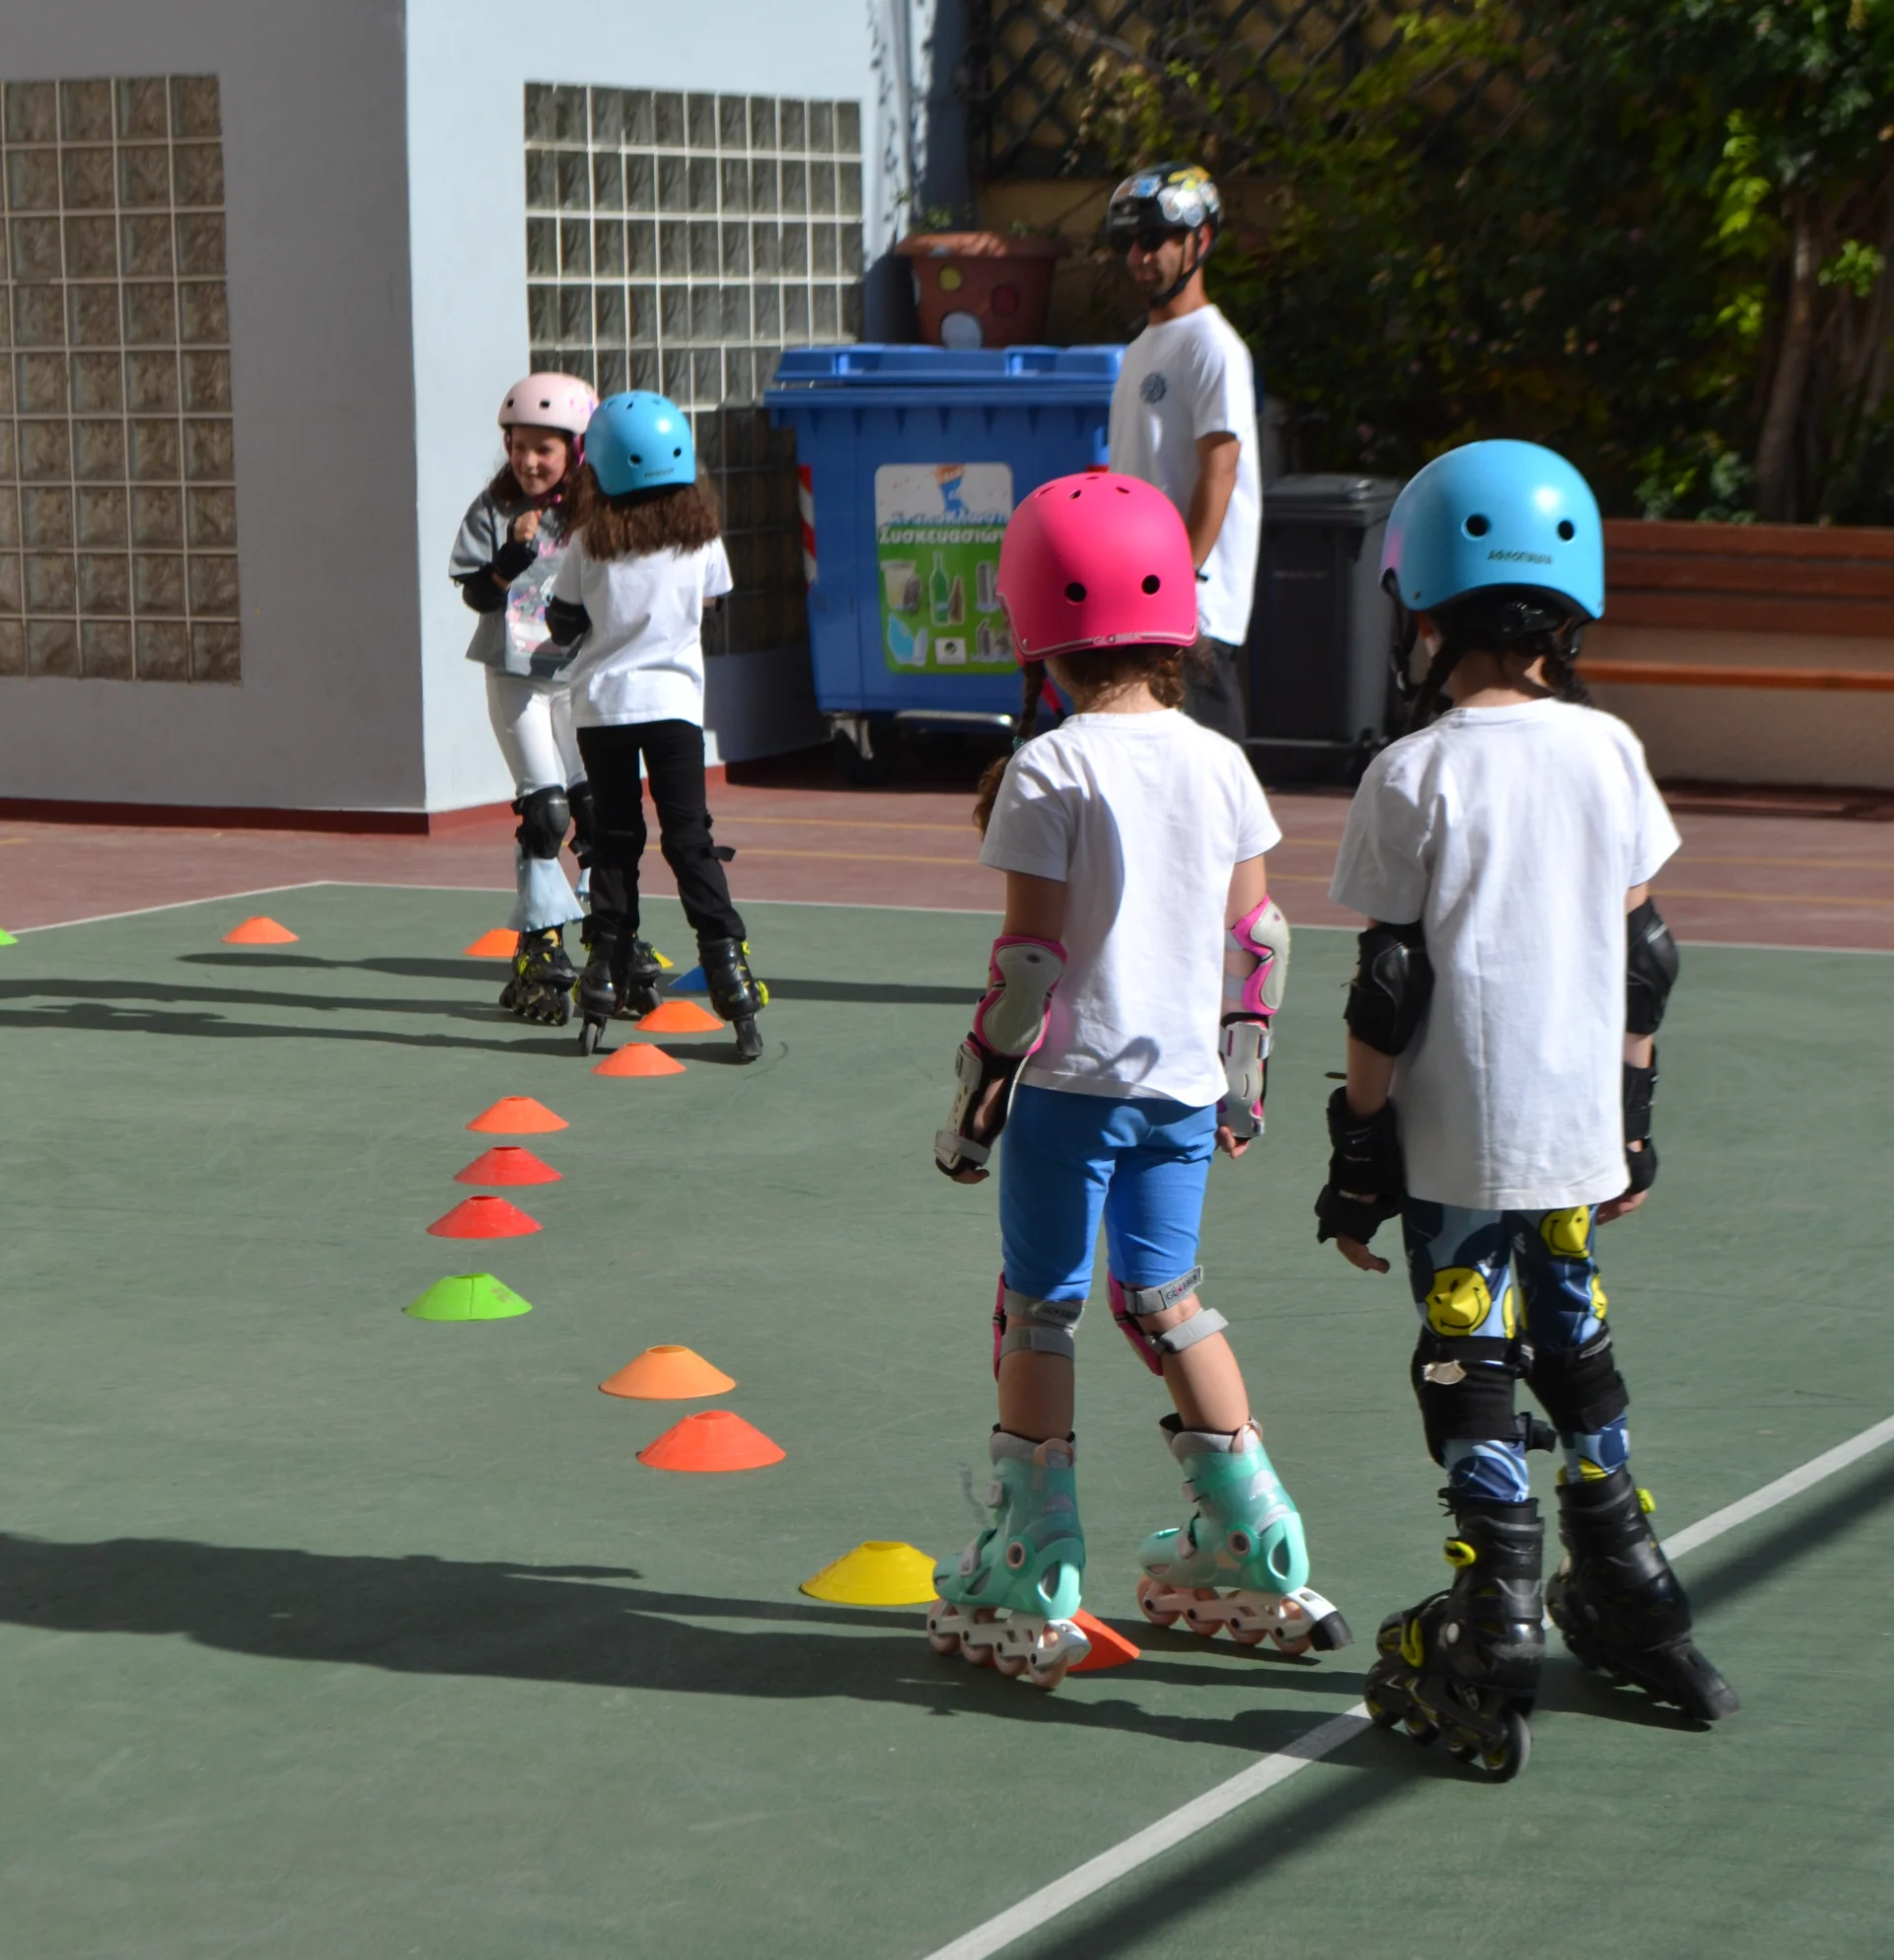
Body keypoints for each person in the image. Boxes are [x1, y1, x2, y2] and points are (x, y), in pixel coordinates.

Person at [1316, 438, 1738, 1779]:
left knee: (1470, 1353)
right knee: (1574, 1327)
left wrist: (1359, 1144)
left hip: (1456, 1135)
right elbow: (1647, 949)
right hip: (1572, 1135)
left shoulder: (1414, 770)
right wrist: (1632, 1112)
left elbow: (1388, 984)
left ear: (1425, 612)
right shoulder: (1610, 749)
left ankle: (1496, 1618)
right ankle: (1632, 1579)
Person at [925, 470, 1349, 1691]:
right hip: (1177, 1093)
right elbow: (1258, 941)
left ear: (1033, 622)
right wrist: (1243, 1087)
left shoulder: (1051, 771)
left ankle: (1033, 1554)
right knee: (1165, 1297)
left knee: (1041, 1305)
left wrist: (973, 1109)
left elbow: (1031, 965)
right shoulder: (1220, 762)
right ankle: (1258, 1540)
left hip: (1070, 1093)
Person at [543, 392, 766, 1061]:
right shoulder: (701, 537)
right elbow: (713, 604)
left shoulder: (588, 540)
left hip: (604, 710)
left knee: (615, 843)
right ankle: (729, 973)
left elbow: (562, 622)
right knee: (689, 840)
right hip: (675, 708)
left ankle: (604, 975)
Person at [450, 373, 598, 1026]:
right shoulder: (495, 508)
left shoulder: (595, 513)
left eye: (544, 448)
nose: (528, 461)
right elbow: (478, 595)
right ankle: (541, 944)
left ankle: (609, 932)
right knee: (547, 812)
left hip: (577, 677)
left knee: (597, 812)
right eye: (518, 446)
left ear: (575, 450)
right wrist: (513, 551)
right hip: (515, 676)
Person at [1105, 163, 1261, 745]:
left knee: (1213, 795)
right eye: (1126, 242)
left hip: (1192, 612)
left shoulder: (1213, 347)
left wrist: (1179, 582)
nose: (1137, 257)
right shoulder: (1141, 350)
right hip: (1141, 602)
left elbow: (1219, 471)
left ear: (1200, 240)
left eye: (1152, 240)